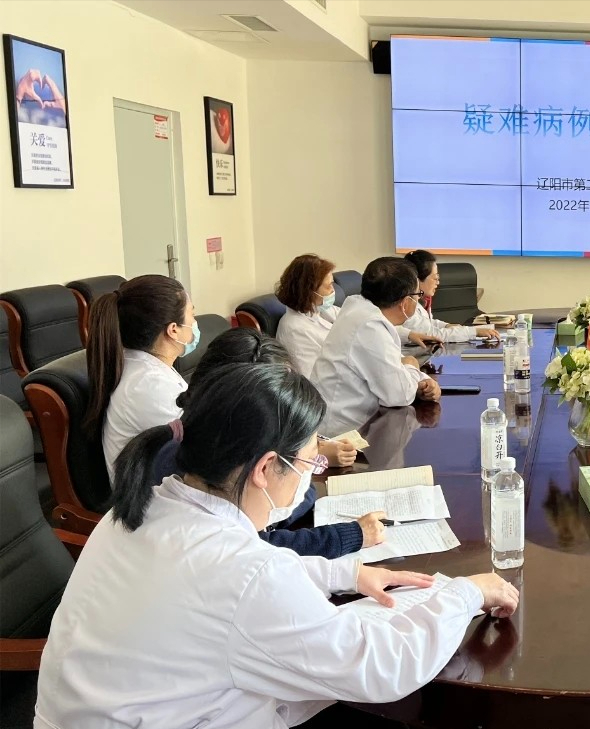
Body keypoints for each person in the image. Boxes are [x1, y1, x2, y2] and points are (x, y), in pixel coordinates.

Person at [34, 364, 519, 728]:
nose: (311, 474)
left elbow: (222, 589)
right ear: (266, 468)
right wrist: (466, 593)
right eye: (310, 463)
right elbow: (381, 666)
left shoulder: (144, 506)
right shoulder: (241, 571)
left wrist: (345, 573)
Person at [158, 327, 378, 559]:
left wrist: (306, 458)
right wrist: (344, 536)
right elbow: (252, 546)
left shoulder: (226, 449)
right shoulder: (191, 470)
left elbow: (300, 496)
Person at [312, 257, 442, 434]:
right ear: (405, 302)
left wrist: (422, 380)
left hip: (361, 424)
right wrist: (413, 367)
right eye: (417, 295)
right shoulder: (370, 326)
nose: (418, 300)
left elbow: (396, 370)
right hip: (342, 436)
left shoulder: (359, 308)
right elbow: (399, 394)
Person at [85, 274, 196, 479]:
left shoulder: (144, 365)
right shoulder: (148, 385)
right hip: (150, 494)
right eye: (192, 314)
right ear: (173, 330)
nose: (195, 323)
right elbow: (201, 446)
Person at [401, 250, 499, 343]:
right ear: (417, 280)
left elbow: (427, 324)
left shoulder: (419, 302)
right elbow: (432, 334)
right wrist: (474, 332)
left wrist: (447, 325)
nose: (438, 283)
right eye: (435, 278)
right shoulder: (406, 307)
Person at [275, 253, 342, 379]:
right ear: (309, 291)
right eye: (328, 286)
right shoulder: (294, 330)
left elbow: (349, 318)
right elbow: (310, 379)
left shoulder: (319, 308)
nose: (333, 291)